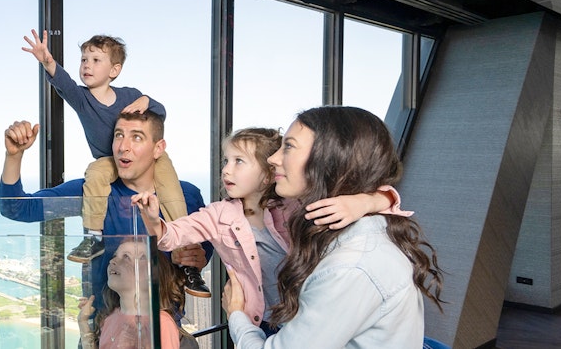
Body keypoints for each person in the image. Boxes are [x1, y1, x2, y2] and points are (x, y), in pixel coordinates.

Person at [132, 127, 411, 335]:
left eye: (239, 162)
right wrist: (153, 220)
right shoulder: (218, 214)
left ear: (268, 174)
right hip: (260, 321)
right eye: (226, 161)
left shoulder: (293, 206)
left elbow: (389, 202)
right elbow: (172, 236)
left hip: (308, 315)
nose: (226, 170)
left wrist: (362, 201)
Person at [223, 106, 444, 349]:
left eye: (289, 146)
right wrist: (371, 200)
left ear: (328, 159)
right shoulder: (350, 227)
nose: (273, 159)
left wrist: (237, 316)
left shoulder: (350, 267)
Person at [21, 30, 208, 295]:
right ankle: (93, 238)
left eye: (96, 60)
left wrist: (147, 101)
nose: (87, 64)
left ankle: (186, 255)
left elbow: (159, 113)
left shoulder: (129, 95)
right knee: (95, 173)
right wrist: (47, 61)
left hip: (150, 160)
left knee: (172, 191)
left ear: (115, 70)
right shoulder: (82, 99)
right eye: (84, 59)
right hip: (110, 160)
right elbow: (63, 83)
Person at [0, 110, 213, 313]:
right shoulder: (92, 192)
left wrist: (199, 258)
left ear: (158, 148)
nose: (123, 147)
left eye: (137, 137)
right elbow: (17, 208)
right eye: (119, 135)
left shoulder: (188, 196)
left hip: (163, 329)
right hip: (102, 330)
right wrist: (14, 156)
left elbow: (205, 249)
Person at [76, 239, 189, 349]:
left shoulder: (160, 324)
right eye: (115, 256)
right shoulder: (109, 319)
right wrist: (83, 323)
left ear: (150, 275)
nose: (112, 261)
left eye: (126, 257)